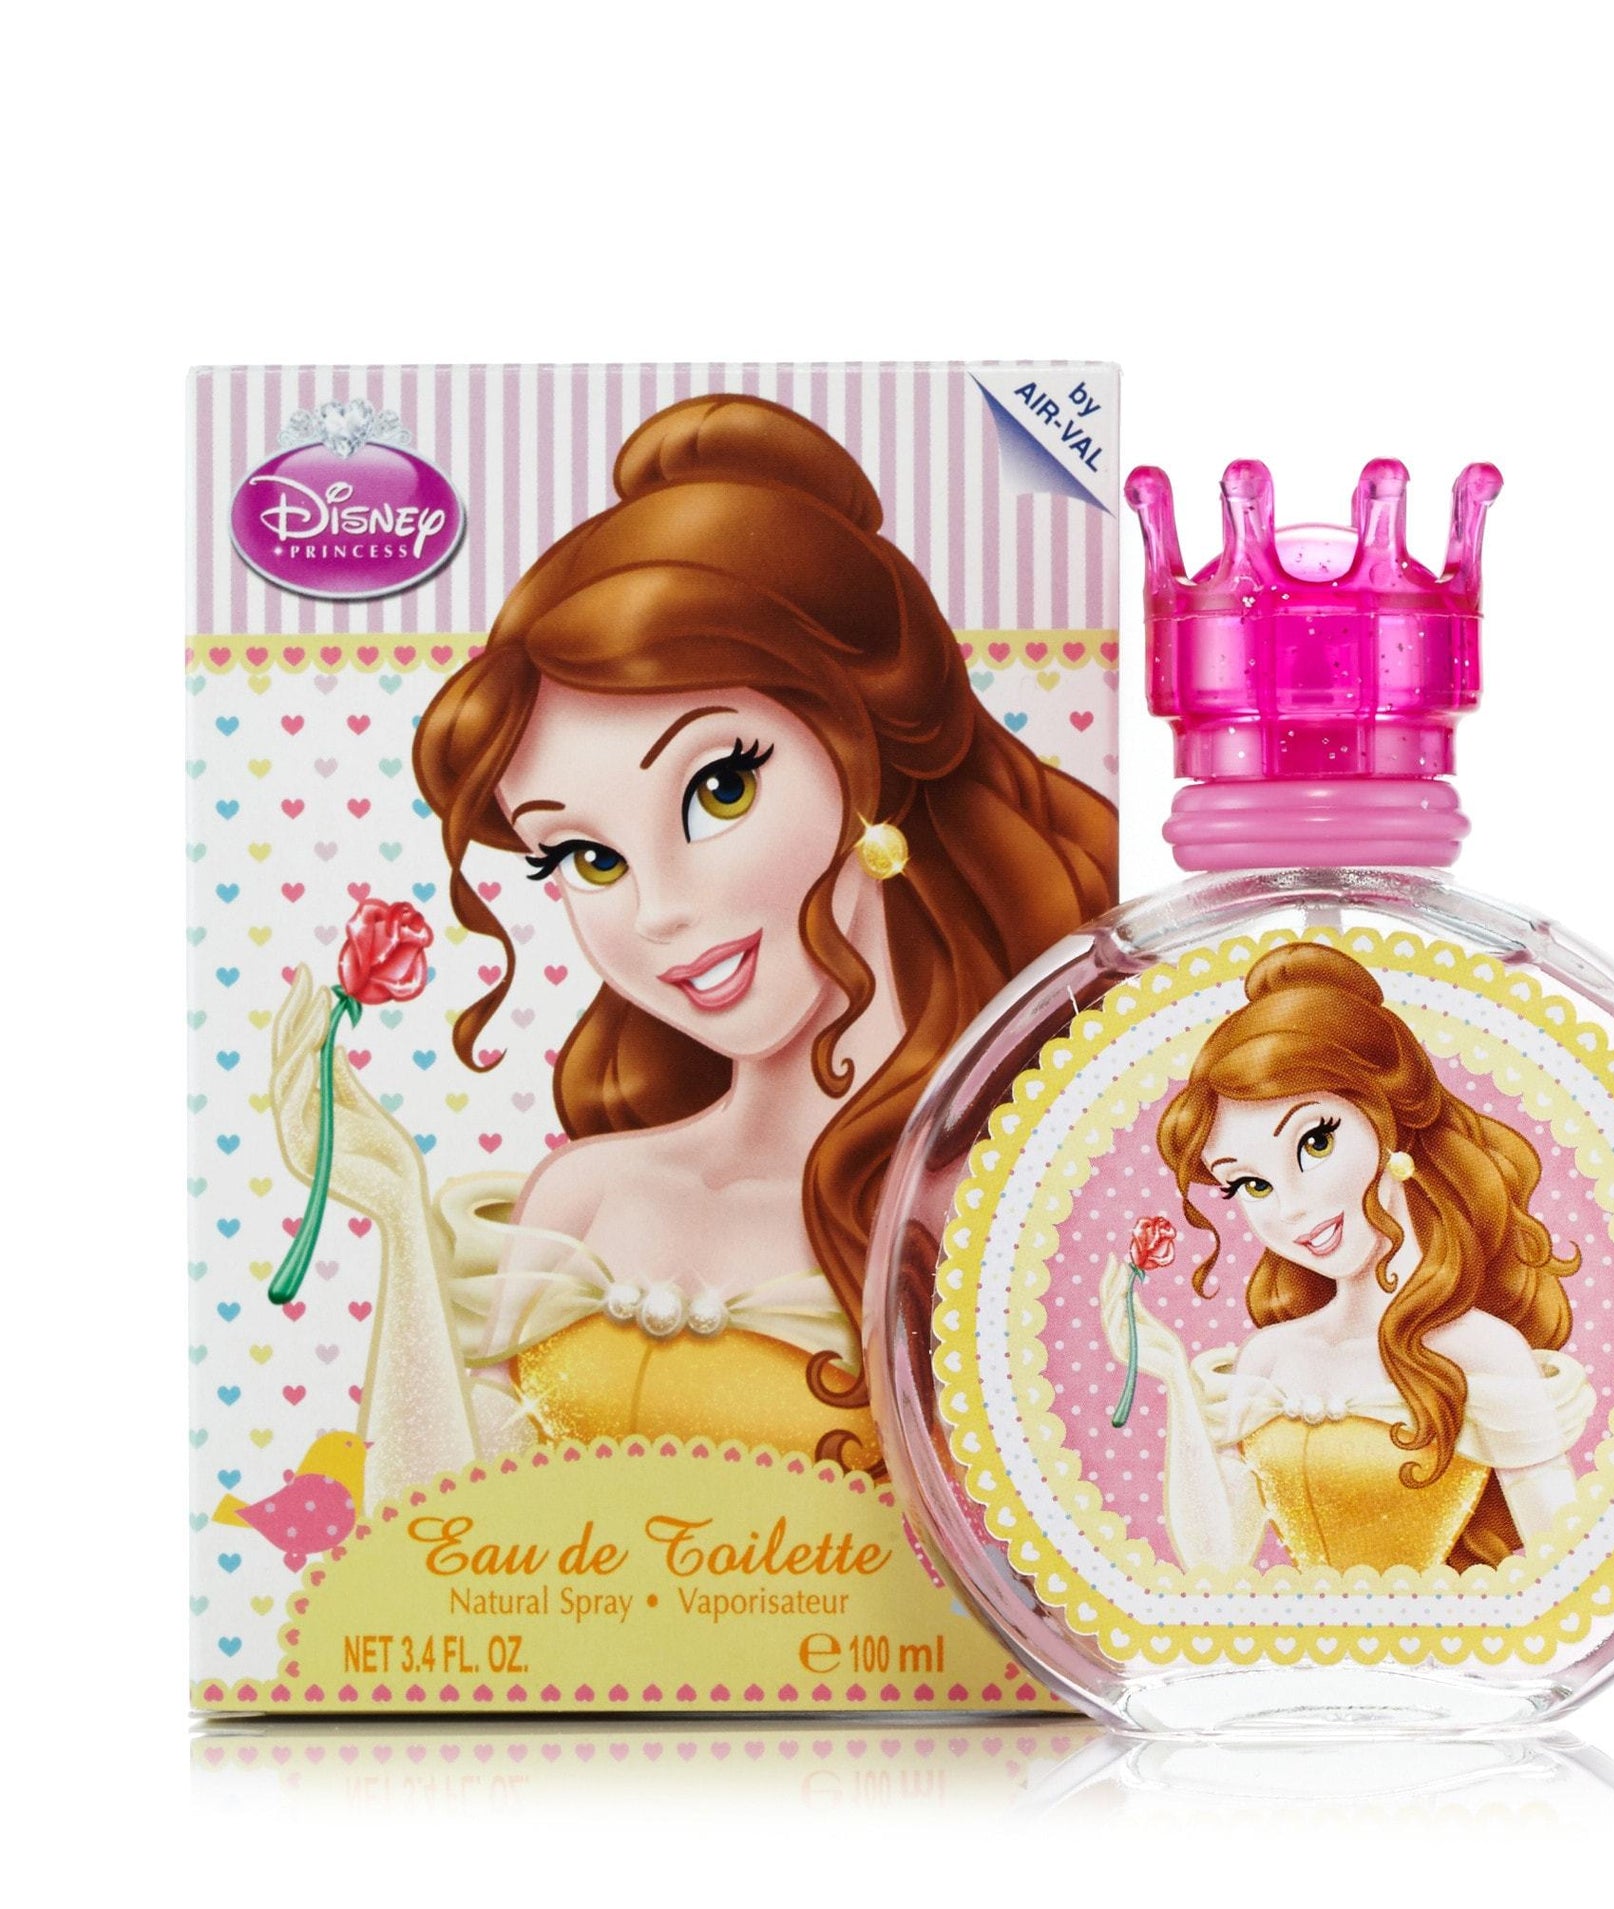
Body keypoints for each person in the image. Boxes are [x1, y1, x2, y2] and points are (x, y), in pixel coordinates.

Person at [271, 394, 1116, 1501]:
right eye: (587, 857)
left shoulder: (1018, 1186)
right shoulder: (584, 1197)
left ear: (865, 754)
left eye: (720, 789)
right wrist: (392, 1209)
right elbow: (430, 1535)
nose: (659, 910)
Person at [1100, 941, 1594, 1574]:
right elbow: (1214, 1564)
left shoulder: (1483, 1351)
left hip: (1433, 1634)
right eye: (1251, 1184)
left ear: (1389, 1123)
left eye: (1315, 1142)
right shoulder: (1268, 1357)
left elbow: (1567, 1568)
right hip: (1278, 1639)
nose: (1291, 1208)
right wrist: (1172, 1374)